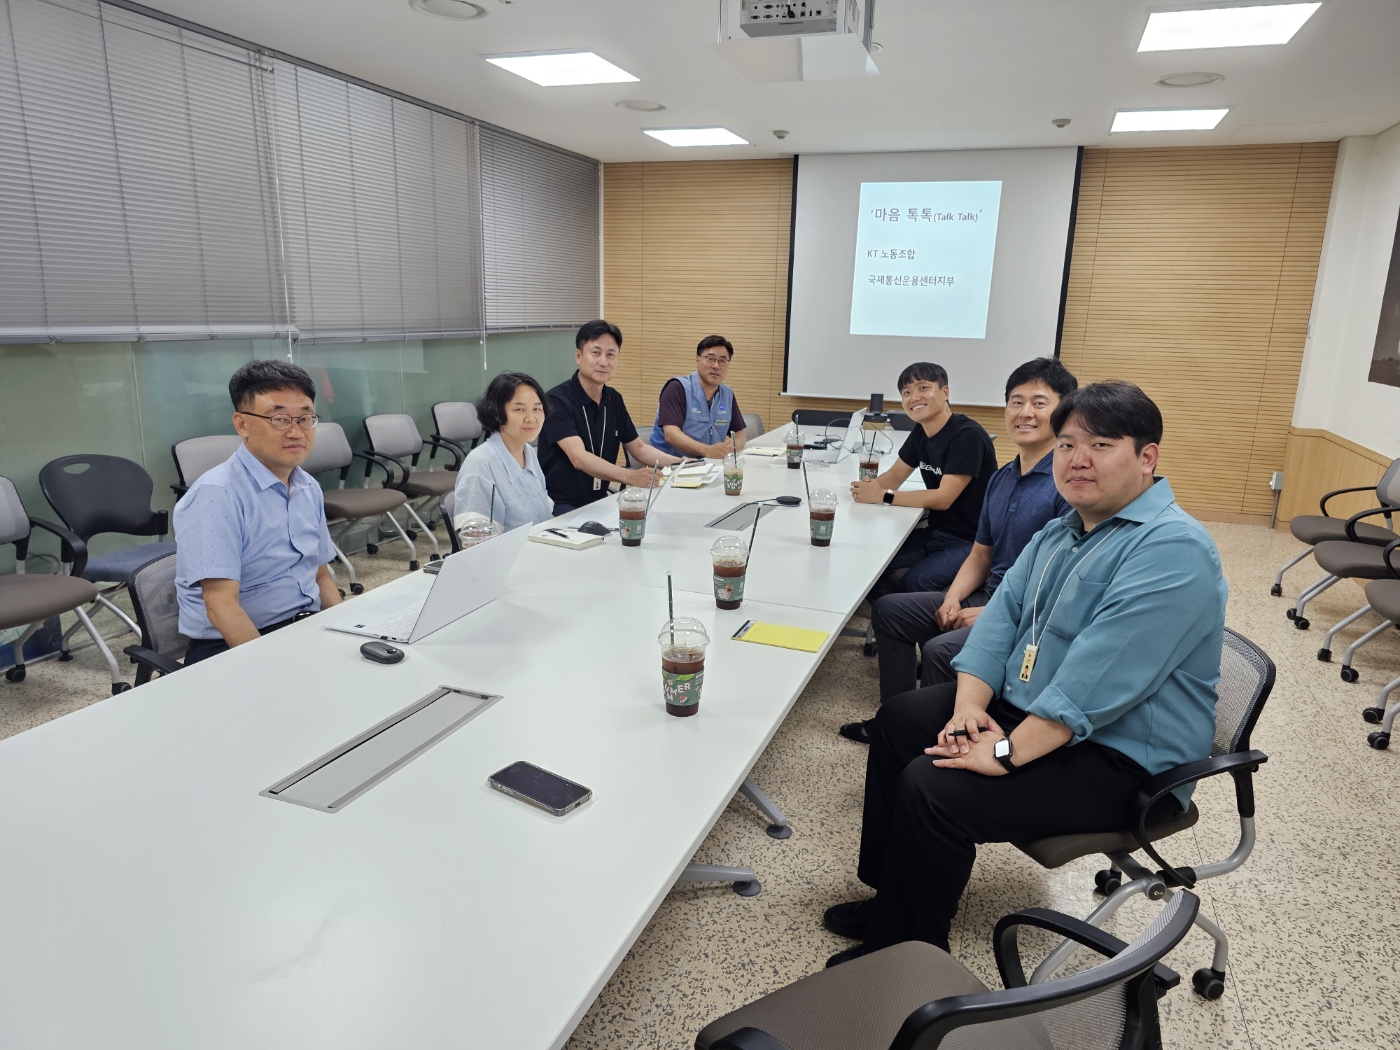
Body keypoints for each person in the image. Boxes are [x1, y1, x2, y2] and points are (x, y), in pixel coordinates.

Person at [822, 380, 1227, 967]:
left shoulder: (1173, 550)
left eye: (1101, 445)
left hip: (1125, 758)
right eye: (1067, 445)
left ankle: (904, 955)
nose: (1078, 459)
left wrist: (1006, 752)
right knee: (901, 719)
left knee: (935, 787)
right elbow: (1000, 621)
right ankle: (894, 897)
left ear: (1147, 458)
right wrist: (968, 709)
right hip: (1041, 712)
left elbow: (1098, 678)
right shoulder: (1066, 530)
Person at [841, 359, 1077, 742]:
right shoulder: (1004, 478)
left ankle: (928, 740)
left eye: (1039, 403)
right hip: (986, 583)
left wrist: (996, 611)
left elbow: (1068, 580)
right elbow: (983, 554)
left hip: (1023, 610)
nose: (1025, 413)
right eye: (1016, 402)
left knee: (937, 647)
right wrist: (953, 597)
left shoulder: (1069, 484)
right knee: (888, 608)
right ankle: (896, 721)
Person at [174, 360, 341, 666]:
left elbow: (320, 576)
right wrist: (269, 671)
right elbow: (221, 607)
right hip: (236, 645)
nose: (296, 432)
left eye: (305, 419)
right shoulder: (217, 495)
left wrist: (348, 632)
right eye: (280, 419)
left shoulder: (307, 486)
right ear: (242, 425)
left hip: (305, 626)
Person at [852, 363, 997, 597]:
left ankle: (910, 613)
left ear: (945, 392)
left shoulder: (967, 435)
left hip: (971, 542)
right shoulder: (921, 431)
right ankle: (893, 612)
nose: (914, 397)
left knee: (915, 583)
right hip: (936, 531)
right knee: (870, 565)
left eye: (923, 388)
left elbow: (943, 498)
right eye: (906, 392)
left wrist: (883, 496)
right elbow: (894, 476)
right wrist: (866, 490)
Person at [538, 320, 681, 516]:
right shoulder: (556, 400)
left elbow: (638, 448)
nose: (603, 362)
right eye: (596, 353)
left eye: (611, 355)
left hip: (600, 500)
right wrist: (630, 476)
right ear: (579, 356)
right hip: (560, 504)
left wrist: (681, 463)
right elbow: (578, 457)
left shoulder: (613, 399)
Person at [451, 372, 553, 533]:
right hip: (513, 549)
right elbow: (476, 540)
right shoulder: (481, 464)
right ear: (497, 414)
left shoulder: (528, 452)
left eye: (536, 409)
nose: (531, 418)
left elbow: (543, 515)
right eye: (519, 409)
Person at [648, 335, 748, 459]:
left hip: (708, 464)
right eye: (710, 359)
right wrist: (707, 450)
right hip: (670, 465)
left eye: (722, 361)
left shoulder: (727, 394)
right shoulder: (677, 388)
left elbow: (740, 432)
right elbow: (671, 435)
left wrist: (735, 444)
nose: (716, 366)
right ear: (697, 360)